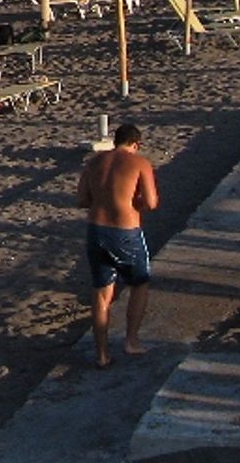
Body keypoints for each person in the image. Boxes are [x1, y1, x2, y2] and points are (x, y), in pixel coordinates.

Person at [76, 122, 159, 368]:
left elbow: (82, 200)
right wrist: (135, 204)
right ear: (136, 144)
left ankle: (101, 354)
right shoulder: (139, 163)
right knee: (140, 283)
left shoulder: (93, 162)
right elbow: (152, 202)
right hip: (125, 231)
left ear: (115, 141)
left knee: (101, 293)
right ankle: (131, 341)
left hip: (96, 231)